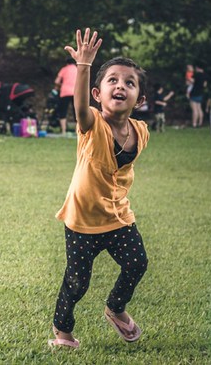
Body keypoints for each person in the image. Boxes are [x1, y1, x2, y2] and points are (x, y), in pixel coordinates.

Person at [48, 28, 150, 349]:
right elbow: (78, 109)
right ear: (97, 94)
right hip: (82, 221)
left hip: (118, 217)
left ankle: (115, 308)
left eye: (129, 83)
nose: (121, 85)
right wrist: (84, 65)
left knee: (137, 263)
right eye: (113, 81)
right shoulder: (91, 125)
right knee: (77, 283)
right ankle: (63, 334)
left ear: (140, 99)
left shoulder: (141, 131)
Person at [54, 57, 77, 135]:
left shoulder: (64, 69)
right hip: (76, 92)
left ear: (67, 63)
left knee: (63, 111)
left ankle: (63, 131)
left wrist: (62, 85)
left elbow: (56, 81)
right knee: (76, 112)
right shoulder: (77, 69)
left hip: (65, 92)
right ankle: (77, 131)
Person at [189, 63, 207, 128]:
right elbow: (205, 85)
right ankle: (200, 123)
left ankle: (194, 124)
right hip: (200, 93)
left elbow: (191, 81)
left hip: (194, 93)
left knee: (194, 110)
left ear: (197, 68)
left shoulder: (196, 75)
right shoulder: (205, 75)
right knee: (199, 108)